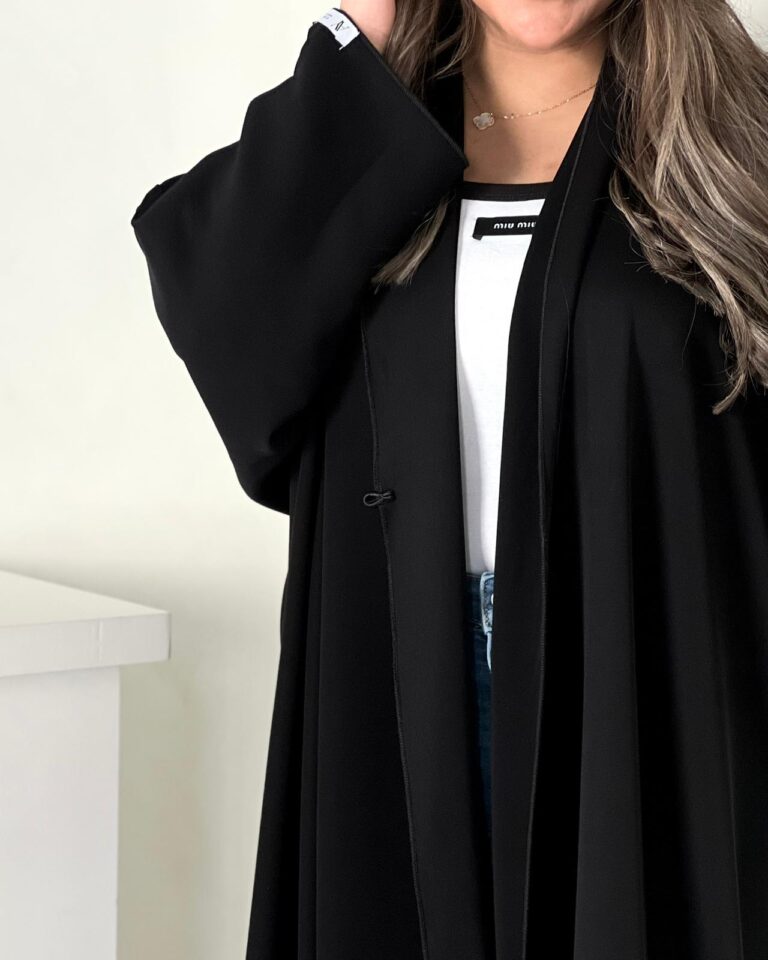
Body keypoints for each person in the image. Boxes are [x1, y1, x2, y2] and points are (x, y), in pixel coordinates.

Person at [131, 1, 768, 957]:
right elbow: (223, 307)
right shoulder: (363, 134)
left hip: (651, 680)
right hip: (401, 674)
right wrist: (361, 35)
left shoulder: (732, 140)